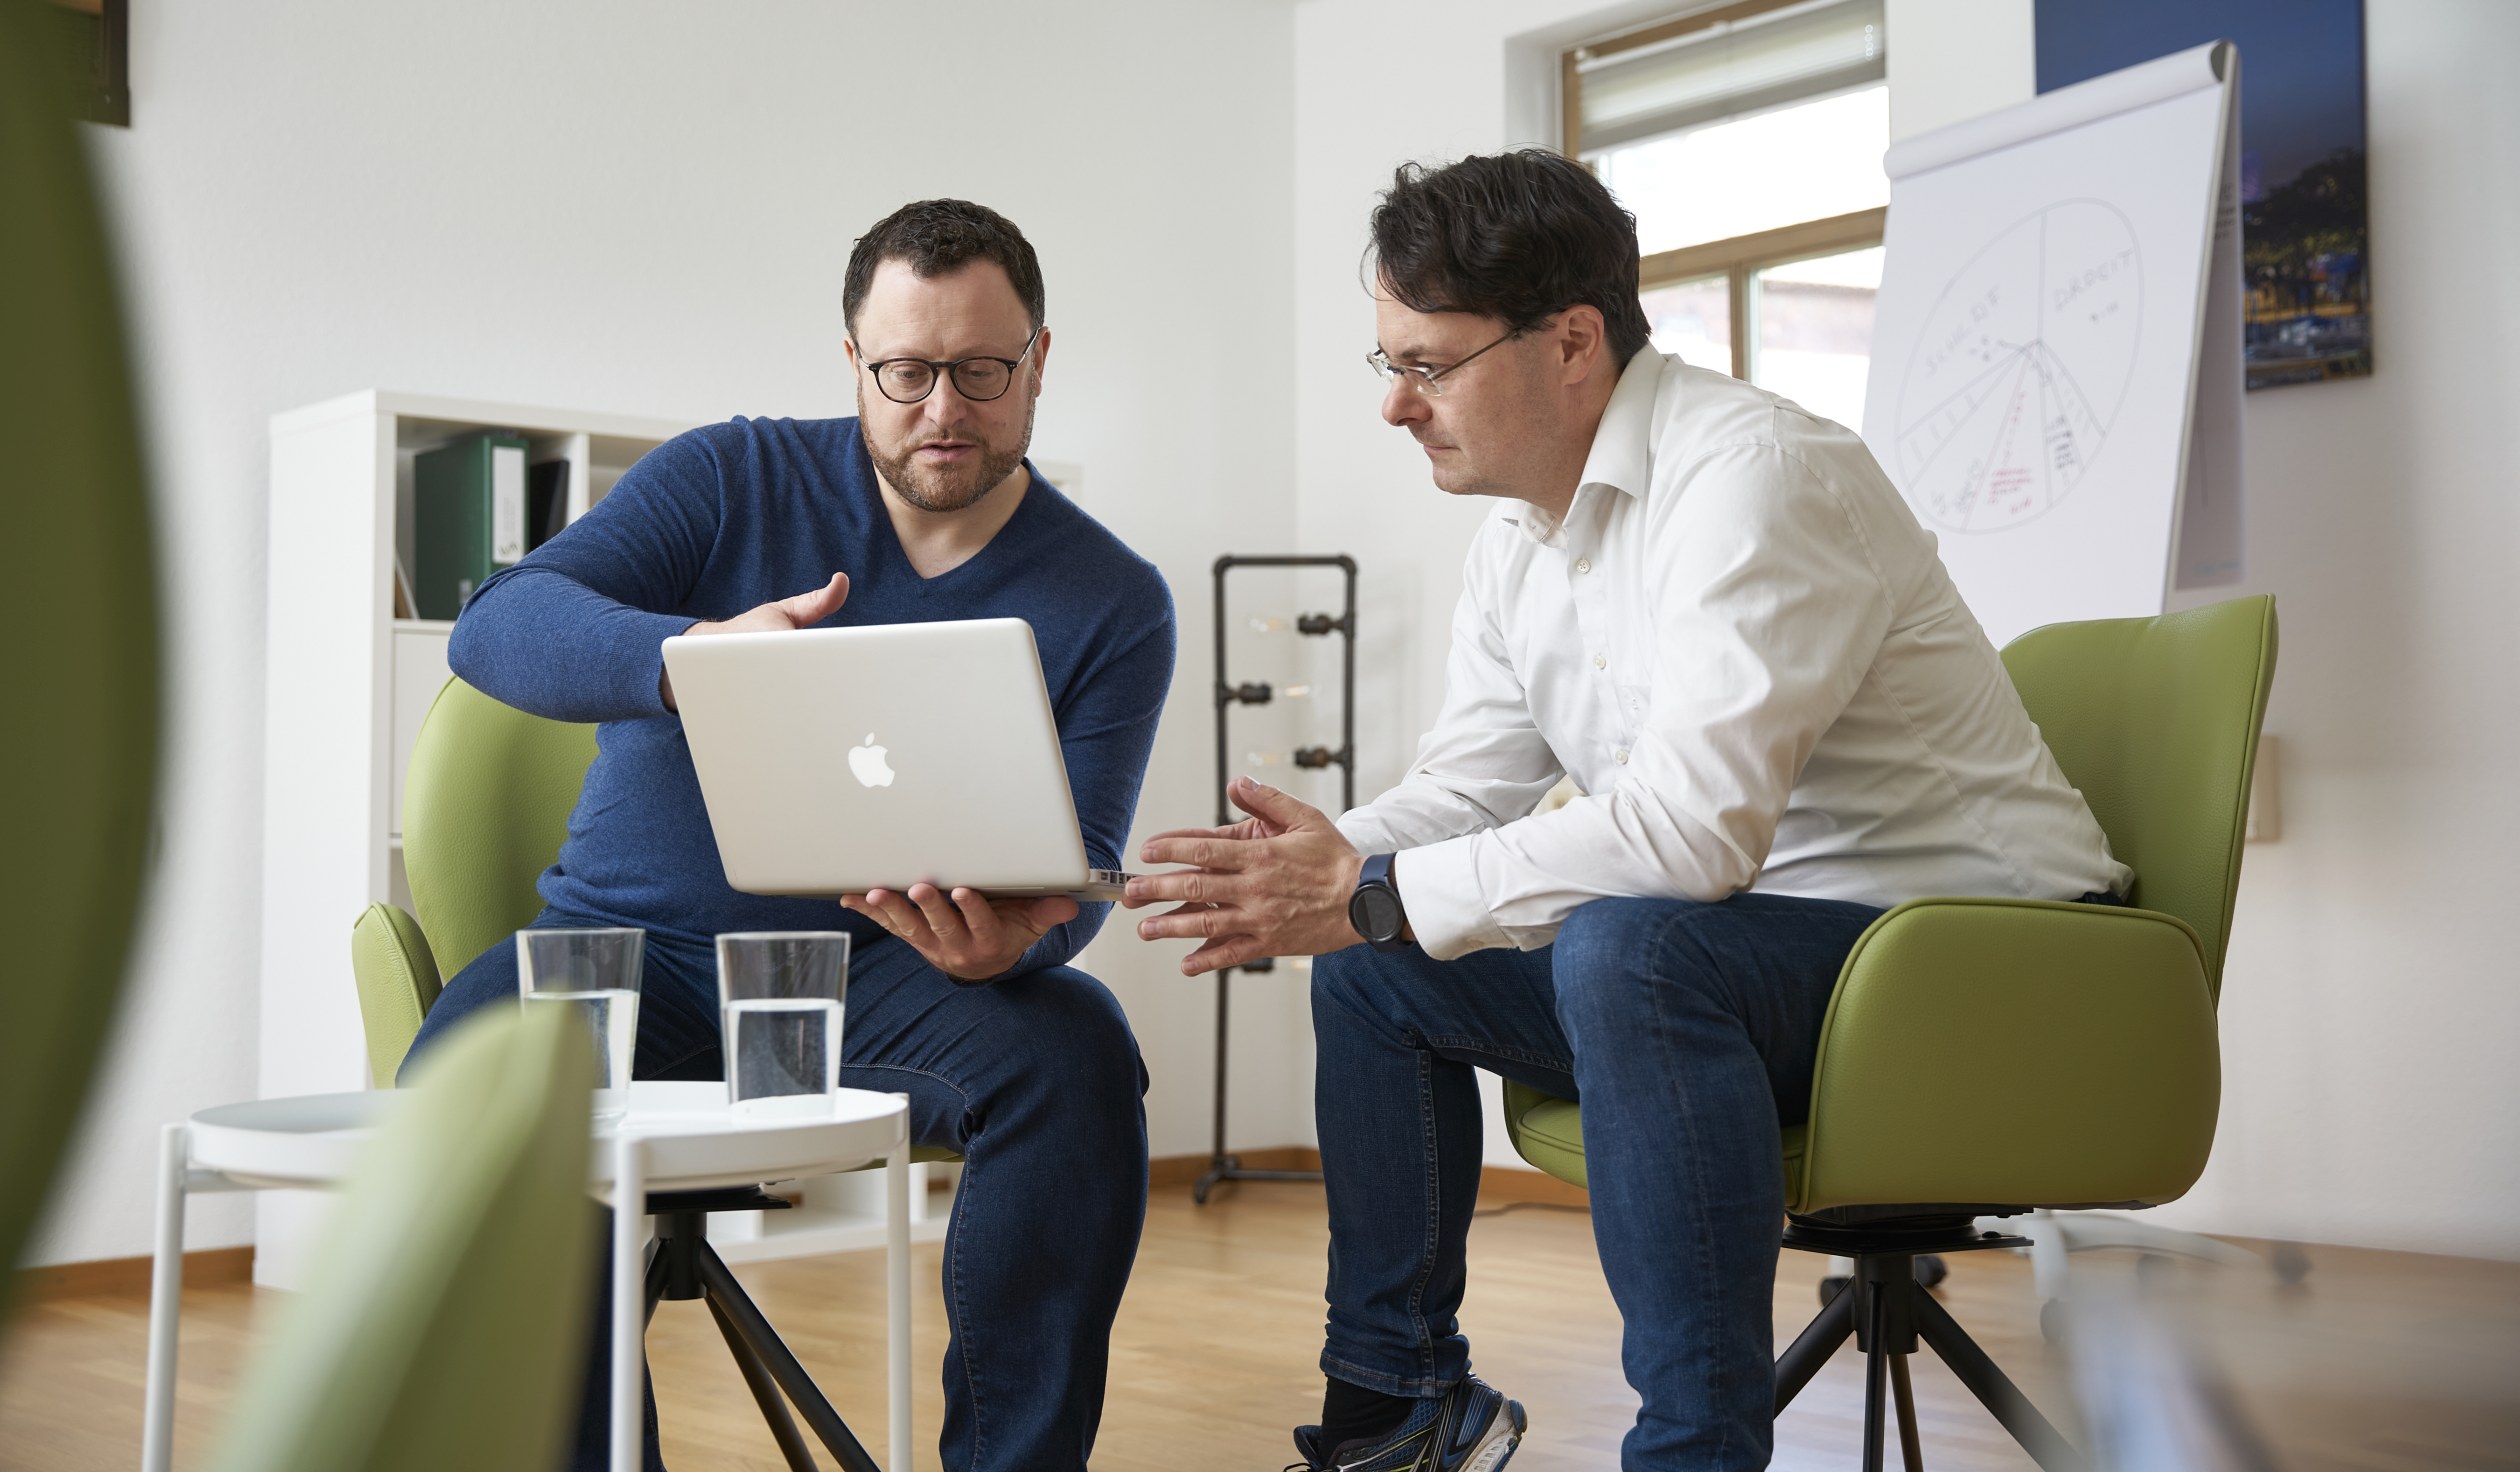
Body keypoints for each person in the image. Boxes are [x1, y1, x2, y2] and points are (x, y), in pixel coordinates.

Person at [1127, 150, 2129, 1471]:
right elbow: (1468, 788)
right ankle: (1401, 1406)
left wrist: (1370, 888)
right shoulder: (1519, 544)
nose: (1398, 408)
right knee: (1378, 976)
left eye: (1429, 366)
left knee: (1629, 945)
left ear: (1572, 344)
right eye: (1391, 365)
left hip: (1990, 964)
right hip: (1781, 958)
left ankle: (1693, 1452)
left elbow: (1692, 835)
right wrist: (1318, 866)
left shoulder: (1755, 476)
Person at [405, 198, 1175, 1472]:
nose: (944, 410)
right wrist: (691, 657)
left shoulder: (1113, 599)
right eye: (907, 372)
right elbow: (497, 624)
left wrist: (1014, 950)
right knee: (478, 1074)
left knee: (1077, 1054)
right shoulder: (730, 475)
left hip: (888, 980)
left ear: (1040, 359)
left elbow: (1075, 870)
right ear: (853, 363)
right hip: (624, 950)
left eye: (983, 371)